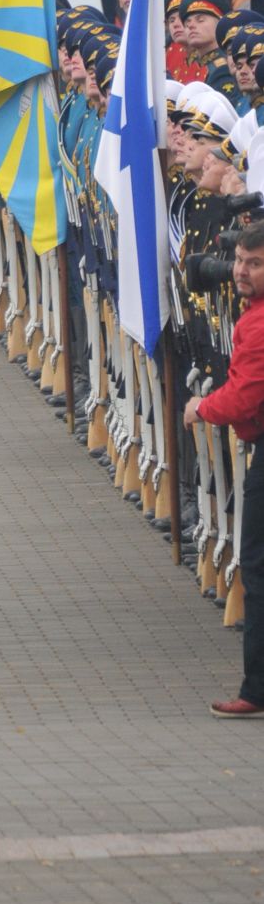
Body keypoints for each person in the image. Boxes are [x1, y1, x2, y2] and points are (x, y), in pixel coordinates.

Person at [184, 222, 264, 716]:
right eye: (239, 260)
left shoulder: (256, 325)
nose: (239, 271)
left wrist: (203, 406)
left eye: (254, 263)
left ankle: (256, 689)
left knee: (256, 568)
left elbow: (245, 395)